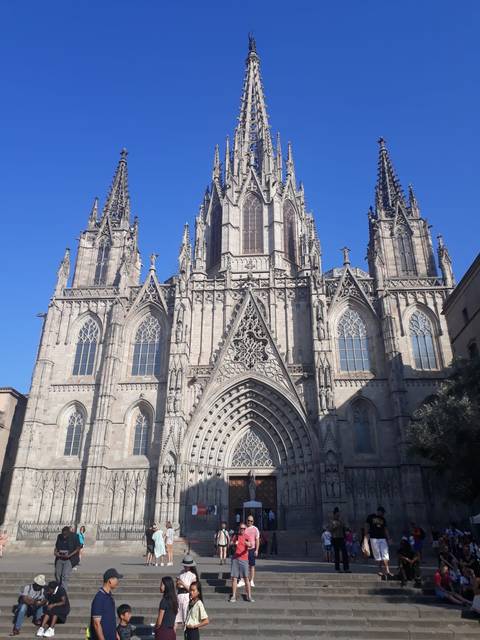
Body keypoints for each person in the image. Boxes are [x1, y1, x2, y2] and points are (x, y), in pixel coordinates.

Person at [90, 568, 123, 640]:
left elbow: (111, 618)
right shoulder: (99, 598)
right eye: (116, 579)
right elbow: (96, 624)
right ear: (110, 580)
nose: (118, 581)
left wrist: (115, 633)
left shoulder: (109, 596)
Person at [229, 522, 254, 603]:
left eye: (244, 528)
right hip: (235, 559)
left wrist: (248, 544)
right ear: (239, 529)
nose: (242, 530)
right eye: (241, 528)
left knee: (246, 578)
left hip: (244, 559)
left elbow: (251, 544)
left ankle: (249, 596)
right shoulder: (236, 536)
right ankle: (233, 596)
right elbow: (230, 543)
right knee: (234, 577)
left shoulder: (247, 536)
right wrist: (233, 543)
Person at [365, 506, 393, 579]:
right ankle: (380, 570)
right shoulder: (371, 517)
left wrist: (388, 538)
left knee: (385, 553)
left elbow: (385, 529)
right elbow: (367, 525)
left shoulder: (383, 519)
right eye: (382, 512)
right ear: (379, 511)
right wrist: (366, 535)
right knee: (377, 554)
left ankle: (387, 570)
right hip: (373, 538)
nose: (383, 514)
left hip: (382, 538)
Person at [54, 525, 81, 589]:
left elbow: (78, 548)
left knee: (65, 575)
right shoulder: (59, 536)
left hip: (70, 558)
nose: (64, 536)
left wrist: (69, 555)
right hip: (60, 557)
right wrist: (55, 552)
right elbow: (56, 547)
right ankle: (58, 589)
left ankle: (63, 592)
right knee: (57, 575)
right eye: (63, 534)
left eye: (65, 535)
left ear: (69, 533)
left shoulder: (75, 536)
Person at [176, 555, 198, 626]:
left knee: (186, 617)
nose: (185, 567)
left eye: (187, 566)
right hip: (179, 595)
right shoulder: (181, 573)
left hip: (187, 596)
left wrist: (183, 583)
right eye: (184, 565)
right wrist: (177, 584)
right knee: (176, 618)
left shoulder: (193, 576)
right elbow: (177, 586)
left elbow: (192, 589)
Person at [239, 515, 259, 588]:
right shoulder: (244, 528)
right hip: (244, 550)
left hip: (252, 549)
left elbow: (257, 540)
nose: (249, 522)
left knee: (252, 566)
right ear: (246, 520)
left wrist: (256, 550)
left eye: (251, 521)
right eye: (248, 520)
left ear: (253, 522)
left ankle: (252, 580)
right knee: (243, 565)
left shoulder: (255, 529)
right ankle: (242, 580)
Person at [330, 507, 350, 573]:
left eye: (339, 514)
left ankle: (346, 568)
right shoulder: (332, 521)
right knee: (337, 554)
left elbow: (344, 528)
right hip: (335, 538)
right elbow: (330, 529)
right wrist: (335, 525)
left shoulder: (341, 521)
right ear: (334, 514)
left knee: (344, 553)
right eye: (337, 514)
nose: (338, 515)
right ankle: (337, 568)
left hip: (341, 538)